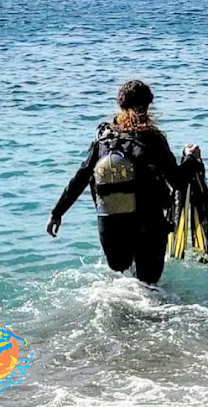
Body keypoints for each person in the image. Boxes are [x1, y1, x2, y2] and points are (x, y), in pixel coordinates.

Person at [46, 80, 199, 284]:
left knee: (124, 283)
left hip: (111, 229)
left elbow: (80, 178)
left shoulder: (104, 141)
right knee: (148, 287)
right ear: (147, 106)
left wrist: (57, 214)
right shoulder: (152, 139)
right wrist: (190, 158)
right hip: (148, 226)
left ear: (120, 106)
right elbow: (178, 181)